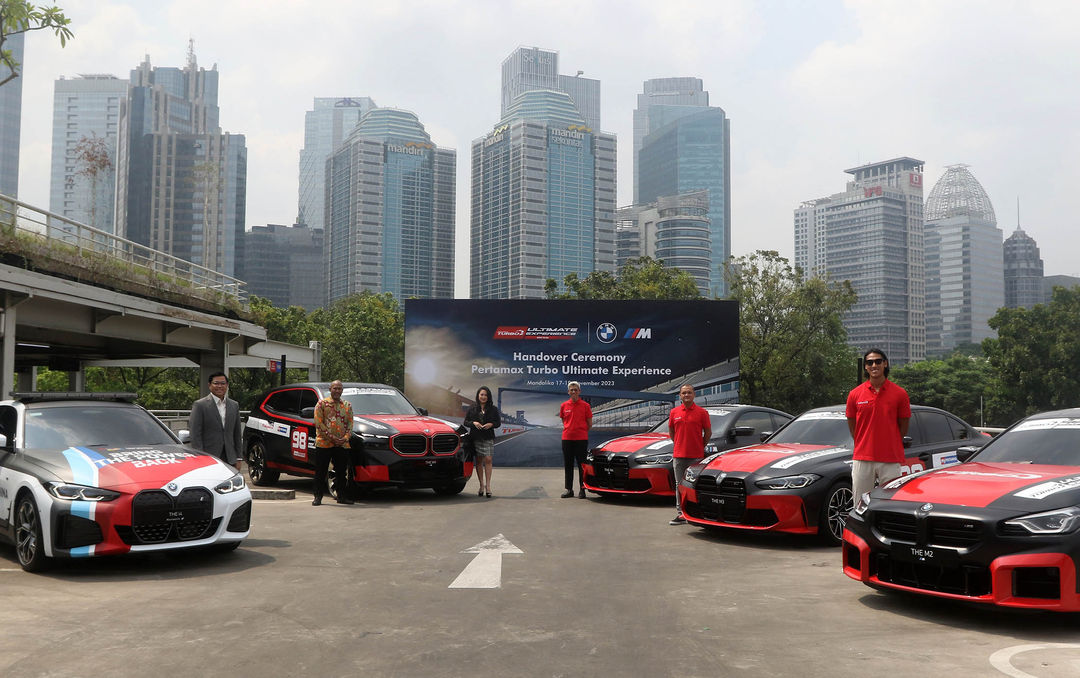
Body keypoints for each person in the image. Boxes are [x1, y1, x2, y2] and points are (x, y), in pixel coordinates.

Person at [846, 348, 911, 505]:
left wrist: (891, 441)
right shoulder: (855, 394)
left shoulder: (900, 394)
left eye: (878, 361)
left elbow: (903, 425)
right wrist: (864, 442)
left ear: (885, 364)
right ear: (866, 367)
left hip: (890, 458)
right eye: (869, 362)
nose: (874, 365)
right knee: (860, 504)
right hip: (863, 458)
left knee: (890, 503)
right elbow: (852, 425)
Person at [668, 384, 712, 525]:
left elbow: (708, 432)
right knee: (679, 485)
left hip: (696, 456)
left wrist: (700, 445)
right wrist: (679, 444)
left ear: (694, 395)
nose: (686, 395)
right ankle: (681, 514)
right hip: (679, 455)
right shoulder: (674, 412)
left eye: (689, 393)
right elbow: (671, 432)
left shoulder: (702, 413)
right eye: (684, 393)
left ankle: (696, 512)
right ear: (680, 396)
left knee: (694, 485)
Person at [189, 372, 242, 471]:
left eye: (223, 383)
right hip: (208, 456)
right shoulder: (200, 405)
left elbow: (237, 434)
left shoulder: (234, 405)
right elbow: (195, 434)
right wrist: (200, 456)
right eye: (216, 383)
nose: (219, 386)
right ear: (209, 385)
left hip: (230, 457)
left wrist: (238, 457)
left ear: (227, 385)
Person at [312, 380, 354, 506]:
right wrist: (332, 438)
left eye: (339, 388)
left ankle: (341, 496)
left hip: (342, 444)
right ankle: (318, 497)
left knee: (341, 472)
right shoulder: (322, 404)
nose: (337, 391)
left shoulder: (347, 405)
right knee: (321, 471)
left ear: (342, 390)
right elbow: (319, 423)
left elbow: (350, 424)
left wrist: (345, 438)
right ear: (330, 389)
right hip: (324, 443)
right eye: (335, 388)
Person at [463, 385, 501, 498]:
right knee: (479, 460)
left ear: (488, 396)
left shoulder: (493, 409)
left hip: (488, 436)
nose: (483, 397)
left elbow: (498, 423)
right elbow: (466, 422)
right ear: (478, 396)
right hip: (476, 437)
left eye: (485, 395)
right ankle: (481, 486)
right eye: (481, 394)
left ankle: (488, 486)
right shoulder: (472, 408)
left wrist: (491, 424)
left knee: (488, 459)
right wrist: (474, 423)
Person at [558, 381, 592, 498]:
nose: (573, 391)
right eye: (571, 390)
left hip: (581, 439)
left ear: (579, 391)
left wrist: (580, 432)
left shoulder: (585, 406)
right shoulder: (564, 406)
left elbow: (589, 424)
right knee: (568, 464)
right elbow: (564, 421)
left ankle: (582, 490)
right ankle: (569, 489)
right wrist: (570, 430)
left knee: (582, 465)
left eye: (575, 389)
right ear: (568, 392)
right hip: (567, 439)